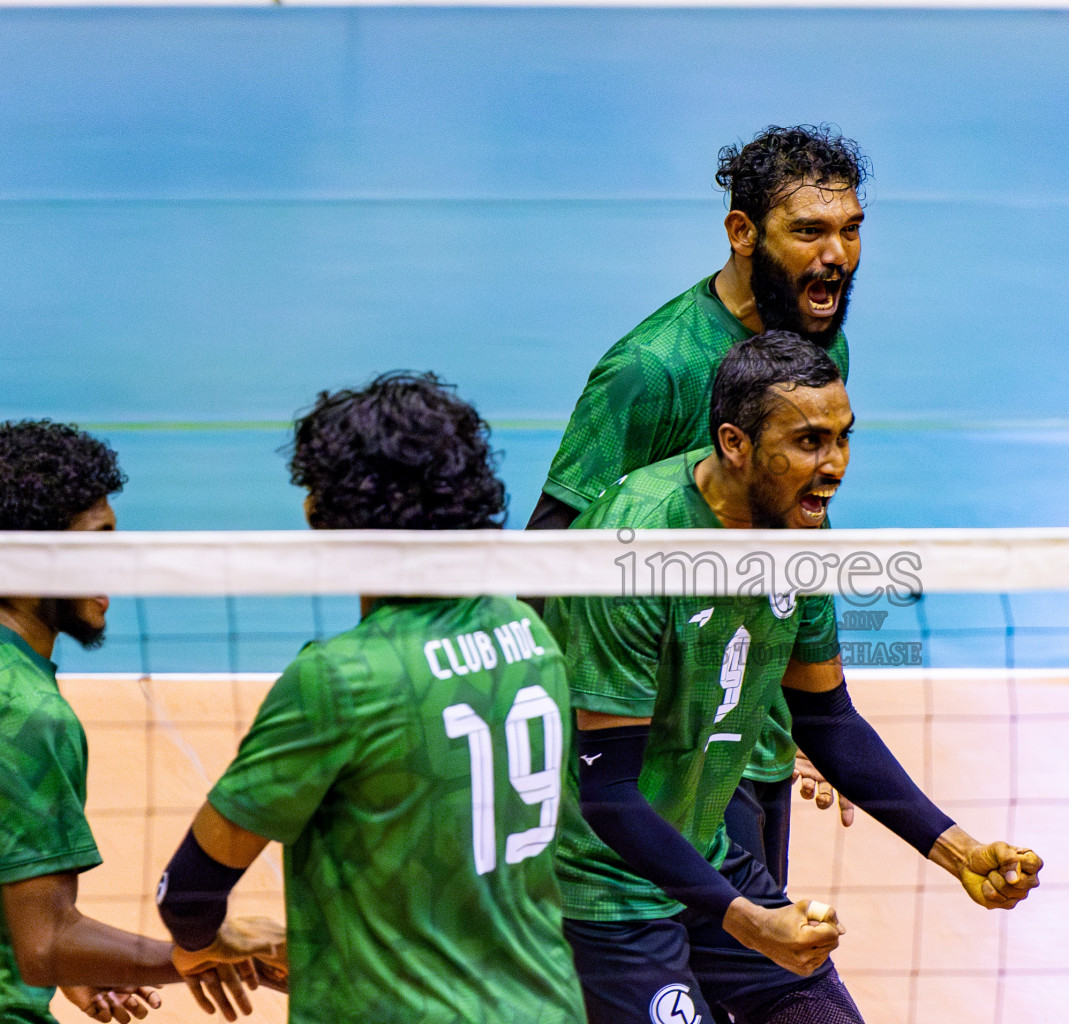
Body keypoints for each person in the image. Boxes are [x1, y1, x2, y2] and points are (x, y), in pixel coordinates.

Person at [547, 334, 1042, 1024]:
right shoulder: (634, 549)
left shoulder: (798, 528)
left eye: (842, 439)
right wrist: (745, 919)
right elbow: (608, 793)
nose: (833, 466)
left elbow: (826, 717)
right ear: (734, 442)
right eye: (809, 442)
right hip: (605, 888)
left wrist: (957, 851)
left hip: (706, 857)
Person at [154, 373, 587, 1024]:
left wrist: (200, 942)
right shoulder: (528, 633)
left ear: (323, 516)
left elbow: (188, 893)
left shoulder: (339, 680)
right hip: (544, 1003)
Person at [529, 124, 868, 888]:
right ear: (742, 233)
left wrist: (813, 708)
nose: (836, 255)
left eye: (850, 230)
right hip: (647, 745)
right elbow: (549, 557)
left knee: (757, 968)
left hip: (754, 736)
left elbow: (792, 535)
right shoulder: (651, 370)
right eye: (809, 231)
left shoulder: (818, 348)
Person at [0, 420, 262, 1024]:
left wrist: (79, 964)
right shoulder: (28, 714)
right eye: (97, 541)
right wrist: (196, 954)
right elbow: (44, 944)